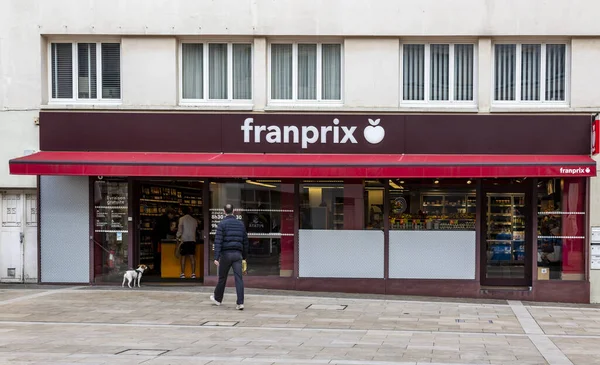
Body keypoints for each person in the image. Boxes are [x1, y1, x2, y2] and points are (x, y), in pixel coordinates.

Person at [210, 204, 249, 310]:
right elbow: (245, 241)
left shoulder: (222, 224)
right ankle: (240, 302)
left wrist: (216, 257)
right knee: (239, 279)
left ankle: (218, 299)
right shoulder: (241, 224)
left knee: (222, 278)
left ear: (224, 211)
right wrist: (244, 256)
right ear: (234, 211)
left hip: (226, 255)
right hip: (237, 255)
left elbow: (218, 242)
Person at [176, 206, 198, 279]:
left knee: (183, 257)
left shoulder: (181, 219)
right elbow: (195, 230)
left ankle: (182, 273)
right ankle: (193, 274)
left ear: (182, 212)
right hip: (192, 239)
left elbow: (180, 230)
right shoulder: (194, 220)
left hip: (184, 240)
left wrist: (177, 236)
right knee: (192, 257)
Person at [152, 209, 176, 274]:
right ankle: (158, 269)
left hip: (156, 238)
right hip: (160, 239)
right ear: (170, 214)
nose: (172, 217)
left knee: (156, 253)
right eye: (172, 215)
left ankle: (156, 268)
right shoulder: (166, 220)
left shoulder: (160, 218)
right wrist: (173, 231)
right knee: (159, 254)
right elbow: (167, 230)